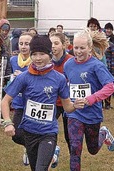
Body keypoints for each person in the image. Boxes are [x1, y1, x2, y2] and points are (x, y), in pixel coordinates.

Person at [0, 35, 86, 171]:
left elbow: (67, 107)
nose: (38, 58)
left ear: (50, 54)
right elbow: (5, 101)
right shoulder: (24, 77)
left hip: (48, 133)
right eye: (34, 54)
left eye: (42, 54)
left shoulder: (58, 78)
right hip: (29, 132)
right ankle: (51, 156)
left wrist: (77, 105)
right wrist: (7, 122)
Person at [61, 29, 114, 171]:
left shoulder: (97, 65)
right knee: (75, 147)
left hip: (92, 114)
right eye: (75, 47)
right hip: (74, 114)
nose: (78, 52)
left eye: (82, 48)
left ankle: (104, 134)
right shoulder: (68, 64)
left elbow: (110, 87)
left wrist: (90, 99)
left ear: (90, 47)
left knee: (92, 149)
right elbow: (65, 84)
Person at [6, 32, 34, 166]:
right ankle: (30, 148)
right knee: (16, 135)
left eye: (27, 44)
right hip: (19, 103)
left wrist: (23, 76)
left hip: (33, 102)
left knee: (32, 131)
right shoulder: (13, 60)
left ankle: (34, 149)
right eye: (21, 43)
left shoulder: (36, 60)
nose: (23, 47)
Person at [49, 32, 73, 163]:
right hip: (52, 102)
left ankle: (73, 159)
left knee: (69, 134)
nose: (53, 46)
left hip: (67, 102)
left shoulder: (70, 61)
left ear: (64, 45)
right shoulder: (47, 61)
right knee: (48, 130)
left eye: (56, 43)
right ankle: (51, 153)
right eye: (51, 43)